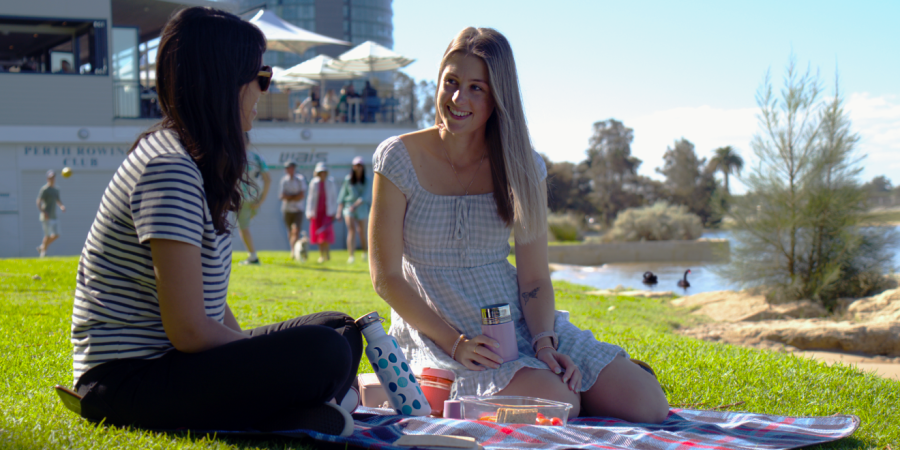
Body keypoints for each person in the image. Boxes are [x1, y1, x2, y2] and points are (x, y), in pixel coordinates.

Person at [70, 7, 360, 435]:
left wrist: (257, 360)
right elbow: (188, 328)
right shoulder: (169, 168)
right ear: (225, 81)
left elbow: (206, 300)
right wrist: (260, 356)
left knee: (338, 329)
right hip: (128, 381)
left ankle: (283, 411)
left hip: (171, 366)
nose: (265, 90)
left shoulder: (192, 162)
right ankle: (288, 409)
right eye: (261, 77)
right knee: (325, 353)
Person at [368, 27, 669, 423]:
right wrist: (455, 343)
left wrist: (545, 342)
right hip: (440, 330)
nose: (459, 99)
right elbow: (386, 276)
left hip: (517, 322)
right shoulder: (398, 157)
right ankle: (414, 389)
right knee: (560, 402)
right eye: (452, 83)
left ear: (498, 97)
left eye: (478, 88)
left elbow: (534, 279)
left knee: (648, 405)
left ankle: (562, 381)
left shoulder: (524, 165)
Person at [237, 137, 271, 265]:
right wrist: (261, 200)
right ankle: (252, 255)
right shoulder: (257, 157)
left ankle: (253, 257)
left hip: (241, 198)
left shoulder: (233, 155)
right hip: (255, 197)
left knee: (243, 228)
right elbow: (268, 179)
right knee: (245, 226)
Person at [336, 156, 370, 264]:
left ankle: (365, 252)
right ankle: (351, 255)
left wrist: (355, 206)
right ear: (353, 167)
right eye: (356, 165)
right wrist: (339, 212)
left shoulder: (368, 180)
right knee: (351, 231)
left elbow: (365, 197)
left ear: (363, 167)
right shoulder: (348, 179)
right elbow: (342, 196)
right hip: (349, 207)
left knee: (362, 232)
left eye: (360, 165)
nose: (358, 167)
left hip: (361, 208)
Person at [306, 162, 337, 263]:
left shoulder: (331, 182)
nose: (322, 174)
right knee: (318, 234)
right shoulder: (313, 183)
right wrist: (309, 212)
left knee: (325, 234)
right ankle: (321, 255)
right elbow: (310, 198)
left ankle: (327, 253)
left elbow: (333, 198)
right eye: (320, 172)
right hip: (316, 213)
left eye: (324, 172)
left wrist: (334, 212)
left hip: (327, 212)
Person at [279, 161, 307, 260]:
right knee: (290, 231)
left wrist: (289, 197)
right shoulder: (284, 180)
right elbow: (282, 196)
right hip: (287, 210)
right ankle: (293, 249)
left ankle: (294, 252)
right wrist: (294, 197)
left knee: (296, 230)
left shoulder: (300, 179)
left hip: (298, 209)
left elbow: (301, 195)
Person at [36, 169, 66, 257]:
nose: (52, 179)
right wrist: (43, 212)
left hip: (54, 216)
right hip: (46, 216)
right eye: (50, 178)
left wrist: (62, 206)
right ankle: (43, 253)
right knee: (47, 235)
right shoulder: (45, 189)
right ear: (47, 179)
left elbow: (58, 200)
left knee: (57, 234)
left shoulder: (56, 189)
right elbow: (38, 201)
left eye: (53, 177)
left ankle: (42, 247)